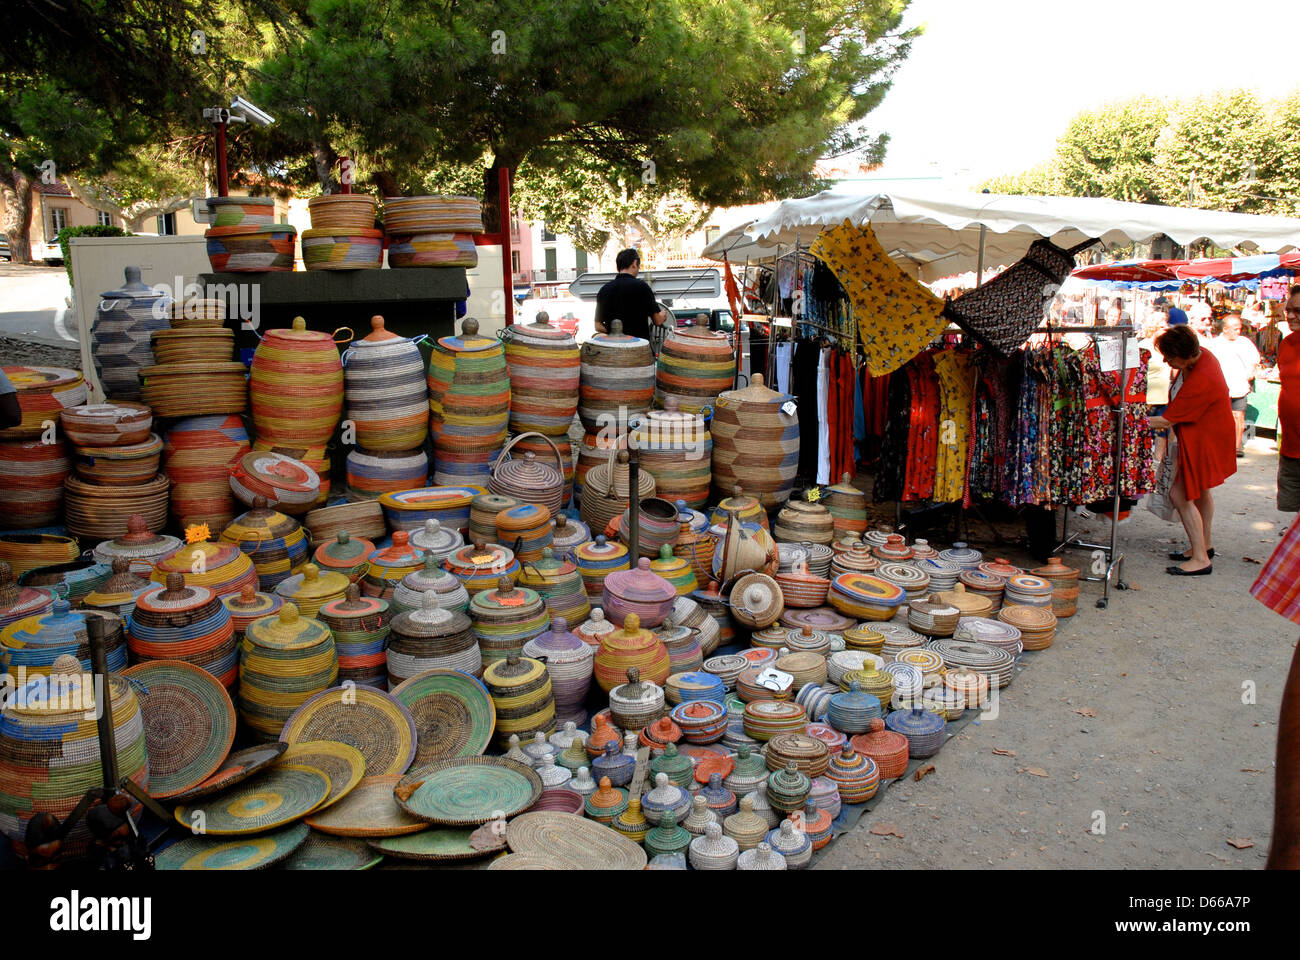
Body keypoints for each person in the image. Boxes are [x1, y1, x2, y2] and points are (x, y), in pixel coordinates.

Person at [1146, 325, 1238, 575]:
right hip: (1208, 435)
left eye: (1170, 357)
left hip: (1205, 438)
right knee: (1200, 493)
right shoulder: (1201, 358)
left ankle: (1200, 558)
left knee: (1180, 494)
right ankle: (1203, 546)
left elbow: (1166, 420)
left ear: (1184, 355)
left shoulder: (1202, 377)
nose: (1166, 361)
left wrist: (1131, 420)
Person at [1206, 312, 1261, 456]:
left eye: (1239, 328)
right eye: (1235, 328)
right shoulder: (1214, 344)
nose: (1238, 331)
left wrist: (1251, 372)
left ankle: (1237, 446)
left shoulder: (1245, 342)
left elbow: (1254, 361)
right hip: (1219, 387)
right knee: (1218, 416)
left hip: (1239, 386)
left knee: (1238, 415)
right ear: (1225, 329)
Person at [594, 248, 667, 340]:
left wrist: (616, 334)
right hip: (639, 347)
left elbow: (598, 325)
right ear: (634, 263)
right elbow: (658, 320)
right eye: (638, 266)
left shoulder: (604, 290)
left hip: (613, 348)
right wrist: (663, 314)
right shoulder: (642, 287)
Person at [1276, 285, 1300, 512]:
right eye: (1289, 310)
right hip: (1291, 446)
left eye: (1298, 311)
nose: (1291, 316)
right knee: (1292, 512)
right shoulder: (1286, 343)